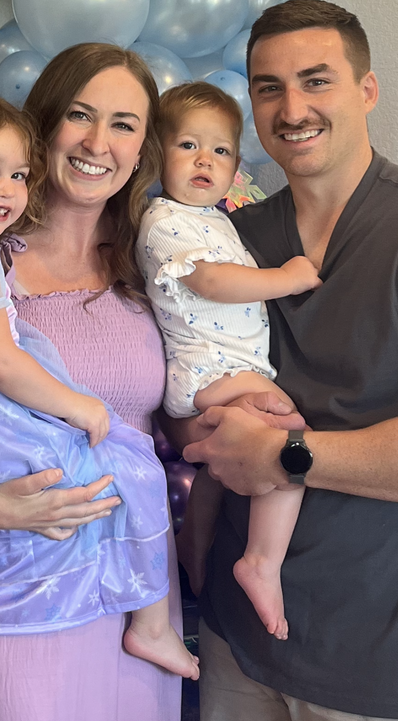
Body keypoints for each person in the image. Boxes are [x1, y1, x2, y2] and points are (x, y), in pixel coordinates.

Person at [0, 43, 185, 721]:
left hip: (128, 589)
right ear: (42, 124)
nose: (97, 142)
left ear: (143, 148)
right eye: (79, 115)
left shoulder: (153, 265)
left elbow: (185, 405)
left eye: (123, 124)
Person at [164, 0, 398, 721]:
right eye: (269, 88)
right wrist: (199, 432)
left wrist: (283, 454)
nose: (292, 109)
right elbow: (178, 378)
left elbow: (268, 451)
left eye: (316, 80)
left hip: (367, 651)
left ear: (367, 89)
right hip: (234, 640)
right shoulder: (229, 236)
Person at [136, 81, 319, 640]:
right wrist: (286, 278)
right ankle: (261, 560)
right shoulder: (163, 221)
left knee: (224, 463)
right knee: (289, 433)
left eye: (219, 151)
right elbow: (213, 282)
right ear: (157, 155)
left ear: (236, 166)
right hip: (208, 368)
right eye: (188, 145)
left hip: (228, 367)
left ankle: (195, 538)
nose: (204, 161)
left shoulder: (216, 220)